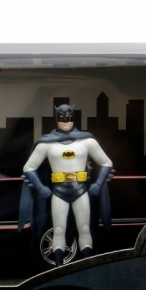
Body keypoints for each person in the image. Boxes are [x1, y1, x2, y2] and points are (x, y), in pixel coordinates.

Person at [19, 104, 113, 265]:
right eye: (61, 118)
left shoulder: (87, 141)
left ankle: (88, 267)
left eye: (69, 117)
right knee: (59, 229)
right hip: (59, 191)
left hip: (80, 190)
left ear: (73, 118)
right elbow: (29, 167)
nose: (65, 121)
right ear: (56, 118)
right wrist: (40, 187)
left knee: (85, 228)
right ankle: (59, 268)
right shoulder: (46, 144)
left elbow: (106, 162)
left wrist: (98, 183)